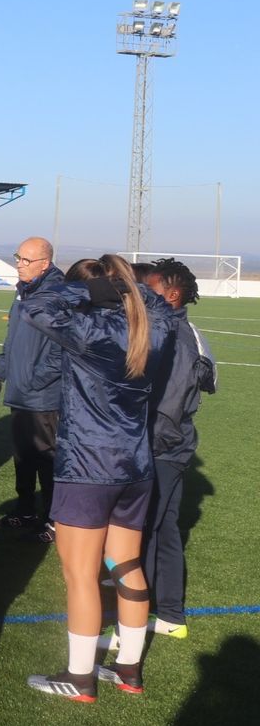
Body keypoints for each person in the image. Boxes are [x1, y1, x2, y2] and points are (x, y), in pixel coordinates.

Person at [24, 254, 172, 701]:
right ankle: (128, 668)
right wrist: (133, 290)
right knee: (127, 564)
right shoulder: (154, 330)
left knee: (81, 576)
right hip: (136, 466)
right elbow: (163, 307)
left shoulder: (92, 331)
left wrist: (84, 291)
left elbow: (36, 306)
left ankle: (80, 676)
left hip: (88, 467)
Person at [138, 258, 216, 639]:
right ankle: (169, 613)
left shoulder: (177, 340)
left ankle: (142, 615)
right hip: (169, 447)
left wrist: (142, 445)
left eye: (148, 290)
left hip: (161, 448)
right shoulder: (176, 331)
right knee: (163, 528)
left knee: (148, 528)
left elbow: (167, 408)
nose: (141, 296)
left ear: (171, 295)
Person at [0, 237, 64, 540]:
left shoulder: (56, 295)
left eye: (26, 260)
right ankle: (26, 512)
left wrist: (33, 381)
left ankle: (54, 520)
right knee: (23, 458)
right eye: (18, 257)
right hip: (22, 393)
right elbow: (12, 339)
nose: (18, 263)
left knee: (47, 459)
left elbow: (61, 351)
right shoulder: (24, 292)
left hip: (43, 398)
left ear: (45, 263)